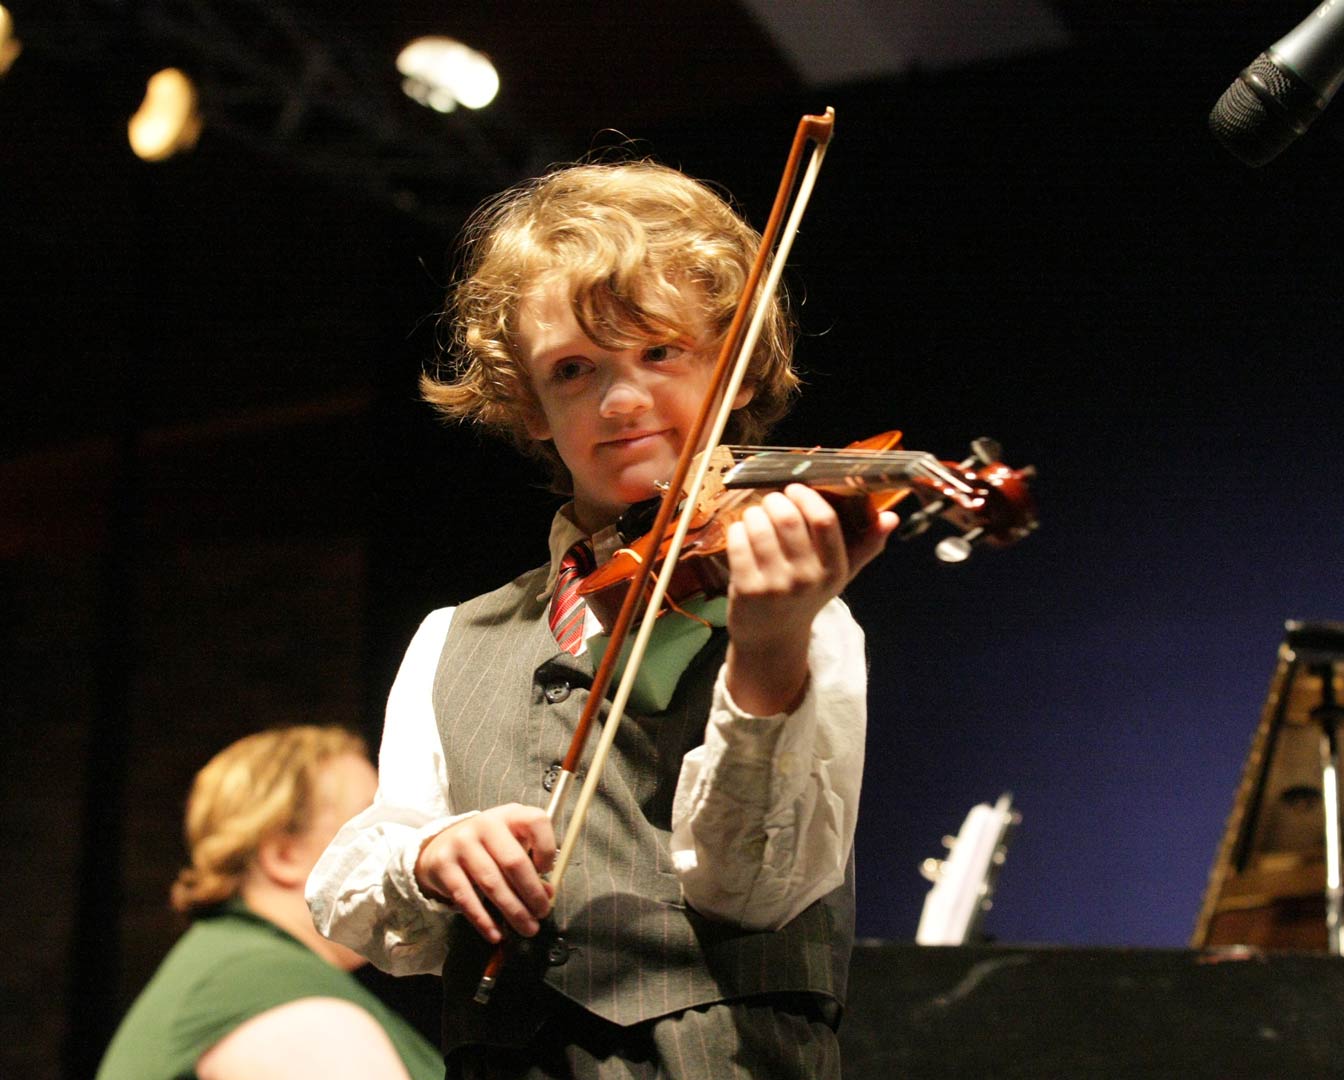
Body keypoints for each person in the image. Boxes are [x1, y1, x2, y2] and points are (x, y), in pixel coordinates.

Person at [307, 159, 898, 1078]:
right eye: (575, 370)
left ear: (735, 370)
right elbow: (356, 903)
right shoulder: (452, 639)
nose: (622, 403)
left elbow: (759, 888)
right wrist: (430, 853)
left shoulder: (796, 612)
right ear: (529, 406)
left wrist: (769, 652)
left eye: (661, 353)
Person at [96, 725, 444, 1080]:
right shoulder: (259, 981)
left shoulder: (234, 964)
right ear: (283, 854)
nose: (406, 849)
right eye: (370, 829)